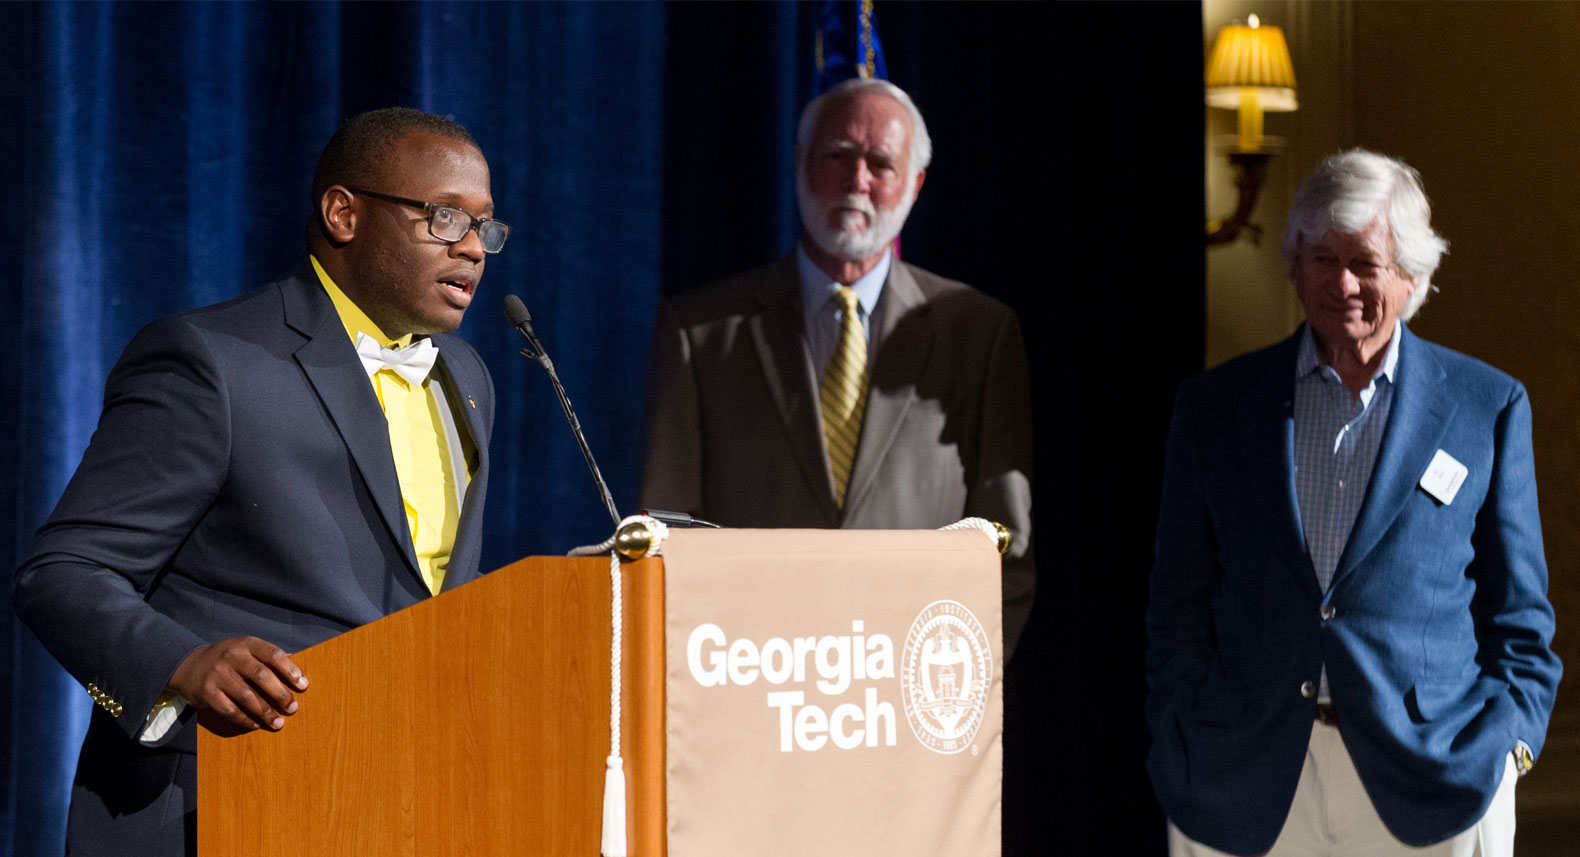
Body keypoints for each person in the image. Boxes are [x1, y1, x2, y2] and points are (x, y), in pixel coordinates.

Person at [13, 107, 505, 855]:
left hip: (393, 805)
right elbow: (63, 572)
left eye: (484, 227)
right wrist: (179, 662)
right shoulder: (213, 361)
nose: (471, 248)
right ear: (343, 212)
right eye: (444, 218)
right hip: (215, 797)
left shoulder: (466, 380)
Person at [1146, 149, 1561, 857]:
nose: (1342, 282)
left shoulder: (1485, 406)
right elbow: (1179, 598)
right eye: (1321, 257)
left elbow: (1519, 616)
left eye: (1365, 262)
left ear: (1412, 275)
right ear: (1294, 266)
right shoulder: (1216, 407)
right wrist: (1179, 729)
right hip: (1244, 779)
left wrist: (1507, 752)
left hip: (1434, 782)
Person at [640, 78, 1035, 656]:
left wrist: (955, 694)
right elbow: (666, 537)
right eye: (839, 156)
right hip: (749, 685)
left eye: (881, 163)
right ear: (800, 162)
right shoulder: (700, 331)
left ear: (916, 184)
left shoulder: (979, 334)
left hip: (911, 701)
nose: (858, 181)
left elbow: (1007, 552)